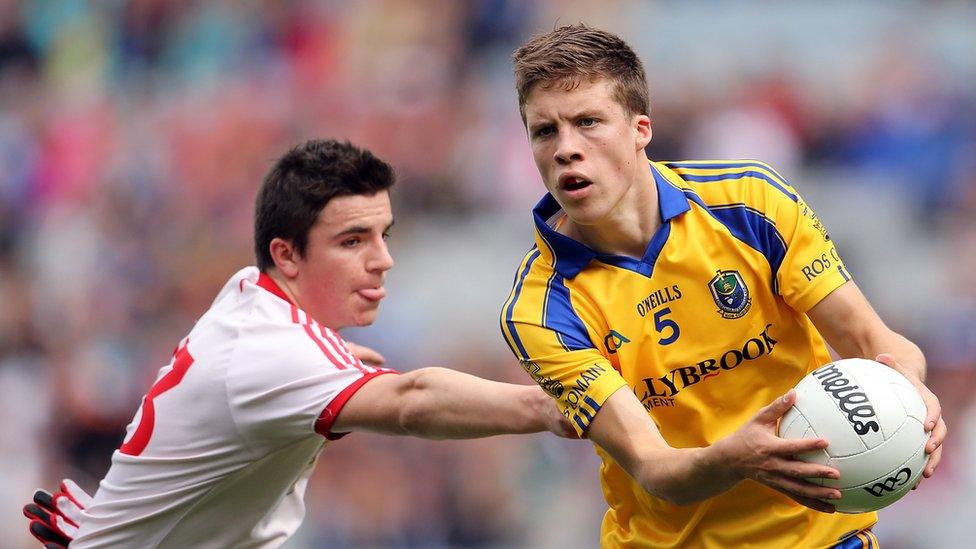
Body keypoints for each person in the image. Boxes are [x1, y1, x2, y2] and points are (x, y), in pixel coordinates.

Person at [499, 24, 947, 548]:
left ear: (640, 129)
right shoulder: (542, 309)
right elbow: (654, 468)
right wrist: (739, 457)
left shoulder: (749, 203)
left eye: (588, 122)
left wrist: (911, 390)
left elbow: (875, 342)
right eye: (544, 131)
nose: (566, 149)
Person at [23, 139, 573, 548]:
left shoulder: (255, 300)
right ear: (286, 255)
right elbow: (412, 401)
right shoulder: (274, 352)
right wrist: (548, 404)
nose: (383, 259)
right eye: (352, 240)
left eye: (385, 235)